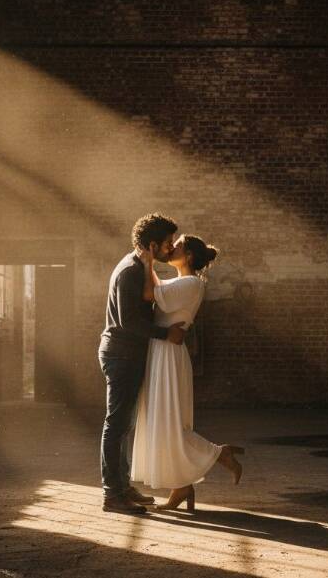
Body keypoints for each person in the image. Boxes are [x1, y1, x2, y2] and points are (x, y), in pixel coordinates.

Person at [131, 234, 244, 511]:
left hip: (168, 355)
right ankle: (183, 485)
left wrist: (148, 262)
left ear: (189, 256)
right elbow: (157, 287)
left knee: (168, 423)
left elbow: (149, 294)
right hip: (161, 352)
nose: (172, 248)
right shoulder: (179, 282)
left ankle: (217, 455)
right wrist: (149, 260)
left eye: (178, 245)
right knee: (164, 423)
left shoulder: (191, 283)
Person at [99, 213, 187, 514]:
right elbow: (128, 321)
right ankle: (113, 494)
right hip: (121, 355)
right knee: (117, 424)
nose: (170, 248)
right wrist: (166, 333)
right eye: (167, 243)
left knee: (124, 424)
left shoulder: (139, 266)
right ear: (152, 245)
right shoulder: (130, 272)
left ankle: (122, 487)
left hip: (127, 354)